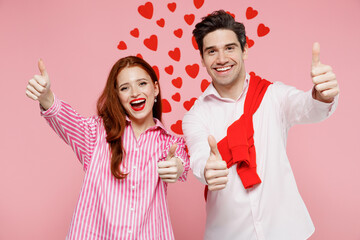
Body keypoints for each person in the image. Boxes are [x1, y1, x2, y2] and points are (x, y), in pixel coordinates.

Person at [182, 10, 339, 240]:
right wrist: (208, 169)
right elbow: (199, 155)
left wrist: (322, 94)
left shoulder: (273, 95)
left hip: (286, 231)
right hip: (229, 234)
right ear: (202, 59)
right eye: (211, 51)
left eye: (230, 48)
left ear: (244, 50)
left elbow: (308, 106)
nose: (222, 58)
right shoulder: (196, 115)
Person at [26, 56, 190, 240]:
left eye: (142, 83)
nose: (135, 93)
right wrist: (46, 96)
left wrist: (177, 166)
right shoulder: (96, 133)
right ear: (118, 96)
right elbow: (66, 120)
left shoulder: (169, 144)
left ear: (156, 88)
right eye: (125, 88)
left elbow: (181, 162)